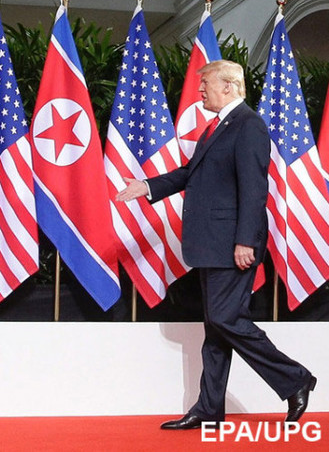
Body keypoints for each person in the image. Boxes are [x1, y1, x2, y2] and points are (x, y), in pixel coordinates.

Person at [116, 59, 316, 429]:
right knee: (217, 328)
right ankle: (209, 408)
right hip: (212, 243)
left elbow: (254, 189)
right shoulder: (218, 127)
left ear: (227, 86)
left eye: (205, 83)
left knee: (226, 319)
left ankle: (295, 379)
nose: (200, 91)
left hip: (232, 244)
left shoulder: (249, 125)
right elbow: (191, 174)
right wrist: (147, 186)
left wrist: (245, 241)